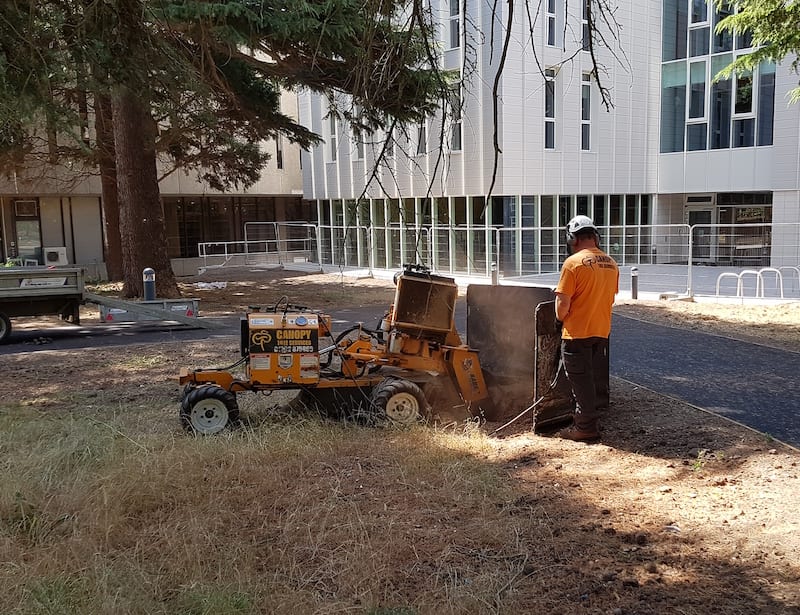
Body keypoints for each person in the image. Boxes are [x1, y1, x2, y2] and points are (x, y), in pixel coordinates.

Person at [555, 215, 619, 442]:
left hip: (577, 333)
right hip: (600, 331)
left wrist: (559, 319)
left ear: (573, 239)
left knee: (580, 381)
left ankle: (586, 428)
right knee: (589, 377)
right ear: (595, 237)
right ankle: (587, 417)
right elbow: (608, 298)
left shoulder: (572, 263)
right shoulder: (611, 263)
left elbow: (562, 304)